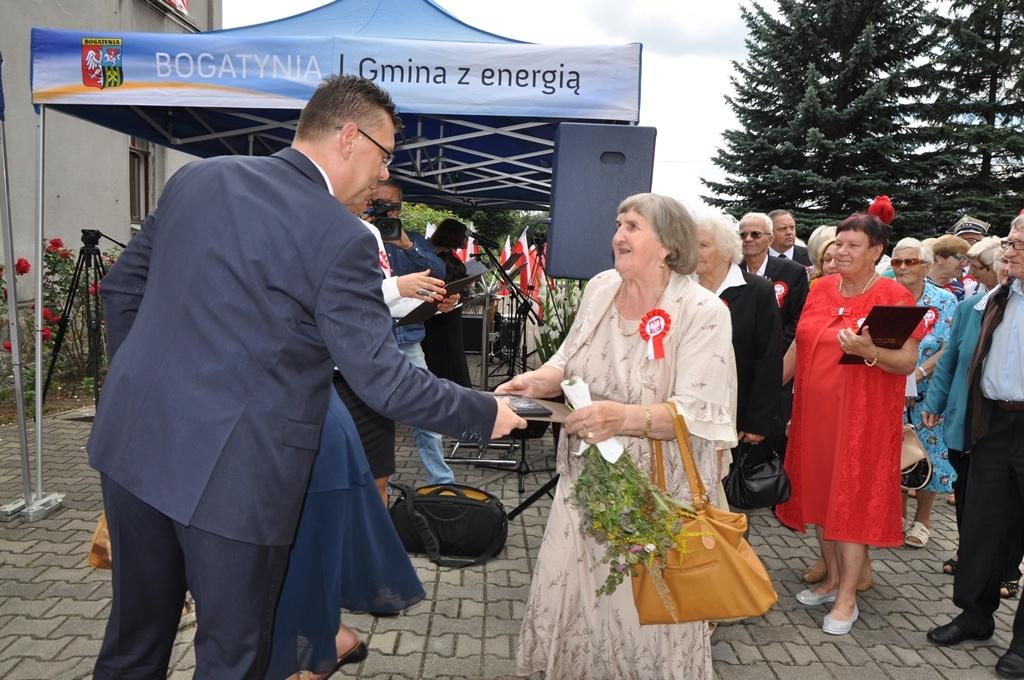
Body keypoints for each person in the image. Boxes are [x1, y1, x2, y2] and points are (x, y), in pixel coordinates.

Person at [88, 74, 525, 679]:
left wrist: (143, 381)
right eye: (384, 156)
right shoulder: (340, 236)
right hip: (236, 476)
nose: (382, 175)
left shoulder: (200, 178)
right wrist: (484, 412)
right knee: (233, 654)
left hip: (134, 444)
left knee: (133, 641)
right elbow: (383, 379)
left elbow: (121, 291)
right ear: (349, 137)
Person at [500, 193, 737, 679]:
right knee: (578, 588)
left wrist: (620, 417)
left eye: (632, 226)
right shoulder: (602, 287)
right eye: (618, 224)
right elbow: (567, 358)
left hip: (656, 489)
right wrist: (538, 381)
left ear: (668, 246)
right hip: (587, 478)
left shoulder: (703, 310)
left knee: (643, 606)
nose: (618, 236)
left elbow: (695, 413)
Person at [776, 212, 921, 635]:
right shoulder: (821, 288)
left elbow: (906, 361)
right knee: (821, 494)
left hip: (863, 420)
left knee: (850, 503)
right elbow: (800, 345)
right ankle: (832, 579)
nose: (841, 251)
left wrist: (866, 350)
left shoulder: (893, 296)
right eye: (838, 243)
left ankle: (847, 597)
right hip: (814, 415)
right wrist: (766, 392)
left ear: (876, 251)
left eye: (852, 245)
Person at [927, 217, 1024, 680]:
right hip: (993, 424)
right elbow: (960, 356)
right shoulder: (998, 298)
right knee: (982, 525)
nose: (1010, 248)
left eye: (1020, 242)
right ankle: (975, 615)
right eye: (1010, 240)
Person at [921, 253, 1022, 595]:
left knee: (1013, 507)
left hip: (1011, 419)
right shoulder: (973, 308)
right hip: (973, 418)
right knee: (971, 497)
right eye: (1005, 255)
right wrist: (935, 402)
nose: (1007, 263)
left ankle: (1008, 568)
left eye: (1014, 251)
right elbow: (950, 359)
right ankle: (970, 564)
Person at [375, 178, 456, 486]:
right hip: (370, 342)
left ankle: (442, 483)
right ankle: (375, 487)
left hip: (408, 340)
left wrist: (407, 245)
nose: (386, 212)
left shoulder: (413, 239)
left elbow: (439, 272)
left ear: (400, 207)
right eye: (378, 204)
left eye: (391, 206)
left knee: (426, 410)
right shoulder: (355, 236)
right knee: (371, 418)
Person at [694, 211, 783, 490]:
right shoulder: (683, 288)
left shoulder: (758, 291)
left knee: (718, 488)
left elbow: (768, 358)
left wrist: (757, 421)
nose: (694, 251)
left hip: (735, 411)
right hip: (687, 407)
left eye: (703, 245)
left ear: (726, 251)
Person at [890, 238, 958, 548]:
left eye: (910, 261)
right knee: (895, 448)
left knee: (929, 449)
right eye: (897, 262)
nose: (903, 267)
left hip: (929, 388)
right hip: (890, 384)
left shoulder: (944, 300)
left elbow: (948, 347)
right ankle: (898, 514)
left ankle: (924, 519)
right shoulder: (886, 295)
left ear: (926, 265)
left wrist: (917, 373)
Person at [422, 218, 474, 388]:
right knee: (449, 356)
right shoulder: (446, 259)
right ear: (454, 236)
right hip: (445, 314)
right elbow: (455, 289)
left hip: (432, 315)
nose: (466, 240)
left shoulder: (431, 253)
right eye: (464, 236)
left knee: (437, 354)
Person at [928, 234, 971, 301]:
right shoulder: (917, 283)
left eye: (967, 260)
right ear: (939, 258)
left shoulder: (959, 290)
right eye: (960, 258)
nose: (964, 264)